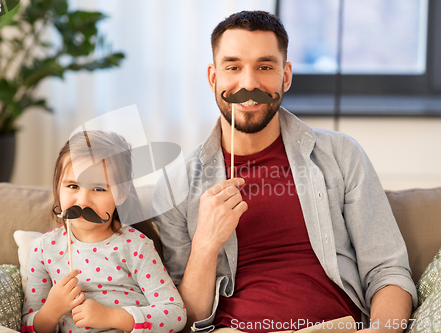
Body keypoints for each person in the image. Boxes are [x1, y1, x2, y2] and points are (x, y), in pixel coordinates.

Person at [152, 10, 417, 333]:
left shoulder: (341, 155)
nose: (248, 83)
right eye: (233, 67)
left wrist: (381, 332)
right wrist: (206, 244)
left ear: (286, 76)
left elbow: (388, 272)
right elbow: (187, 318)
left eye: (265, 67)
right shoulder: (173, 186)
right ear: (213, 78)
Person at [22, 130, 186, 333]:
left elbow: (175, 313)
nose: (83, 201)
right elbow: (27, 325)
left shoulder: (135, 245)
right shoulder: (44, 250)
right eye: (73, 186)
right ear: (57, 188)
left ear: (122, 193)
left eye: (99, 189)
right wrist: (51, 311)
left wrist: (110, 317)